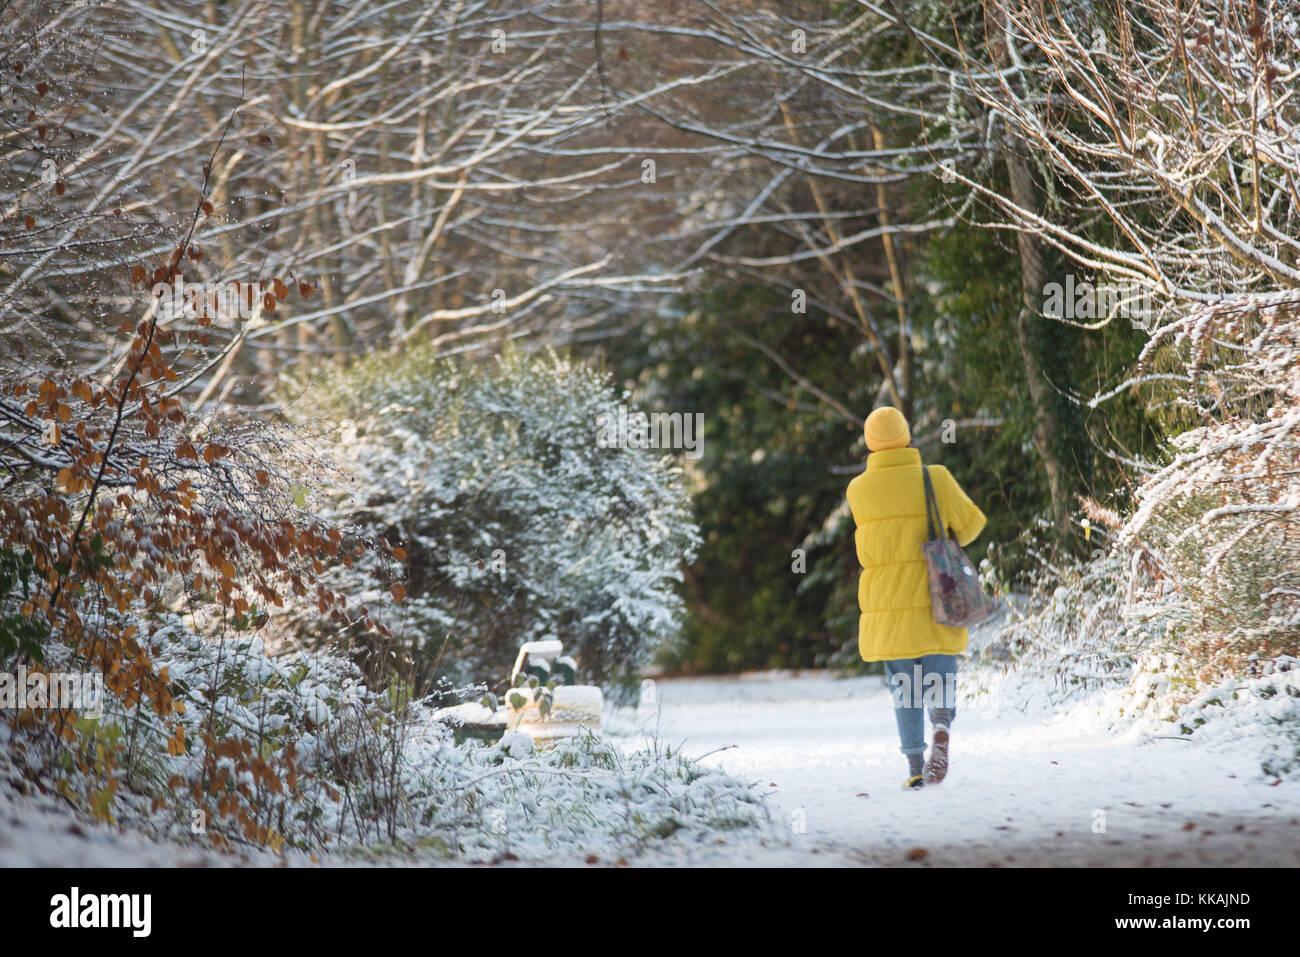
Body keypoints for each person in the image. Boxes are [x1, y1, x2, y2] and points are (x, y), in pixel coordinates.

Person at [845, 406, 987, 789]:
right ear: (907, 436)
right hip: (936, 595)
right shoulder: (934, 478)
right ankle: (941, 725)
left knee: (904, 685)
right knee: (940, 670)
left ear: (871, 444)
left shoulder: (857, 490)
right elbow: (972, 525)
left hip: (886, 607)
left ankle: (913, 768)